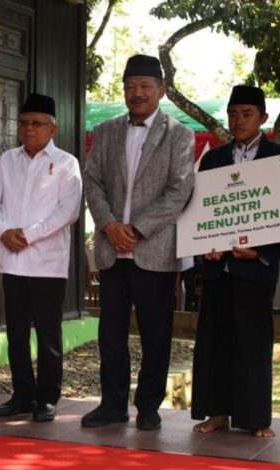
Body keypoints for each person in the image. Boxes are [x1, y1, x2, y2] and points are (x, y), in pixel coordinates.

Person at [82, 54, 195, 431]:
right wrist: (109, 224)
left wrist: (138, 228)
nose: (137, 93)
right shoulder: (106, 131)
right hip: (112, 250)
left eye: (145, 86)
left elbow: (179, 191)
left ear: (161, 90)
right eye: (130, 86)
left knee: (155, 334)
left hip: (154, 249)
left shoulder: (179, 134)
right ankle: (112, 405)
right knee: (110, 334)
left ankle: (148, 406)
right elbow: (92, 181)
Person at [190, 85, 280, 438]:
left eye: (247, 114)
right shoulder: (213, 159)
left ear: (263, 118)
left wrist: (261, 252)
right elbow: (201, 209)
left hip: (255, 269)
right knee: (214, 342)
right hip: (218, 269)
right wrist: (206, 244)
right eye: (232, 114)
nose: (238, 121)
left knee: (253, 345)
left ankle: (256, 418)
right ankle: (217, 413)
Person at [0, 93, 82, 422]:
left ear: (53, 129)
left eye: (37, 123)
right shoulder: (7, 160)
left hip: (46, 263)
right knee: (16, 333)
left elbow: (68, 210)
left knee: (49, 335)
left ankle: (48, 398)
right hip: (12, 260)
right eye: (24, 122)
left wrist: (28, 234)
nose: (29, 128)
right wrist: (4, 231)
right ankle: (21, 395)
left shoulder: (66, 163)